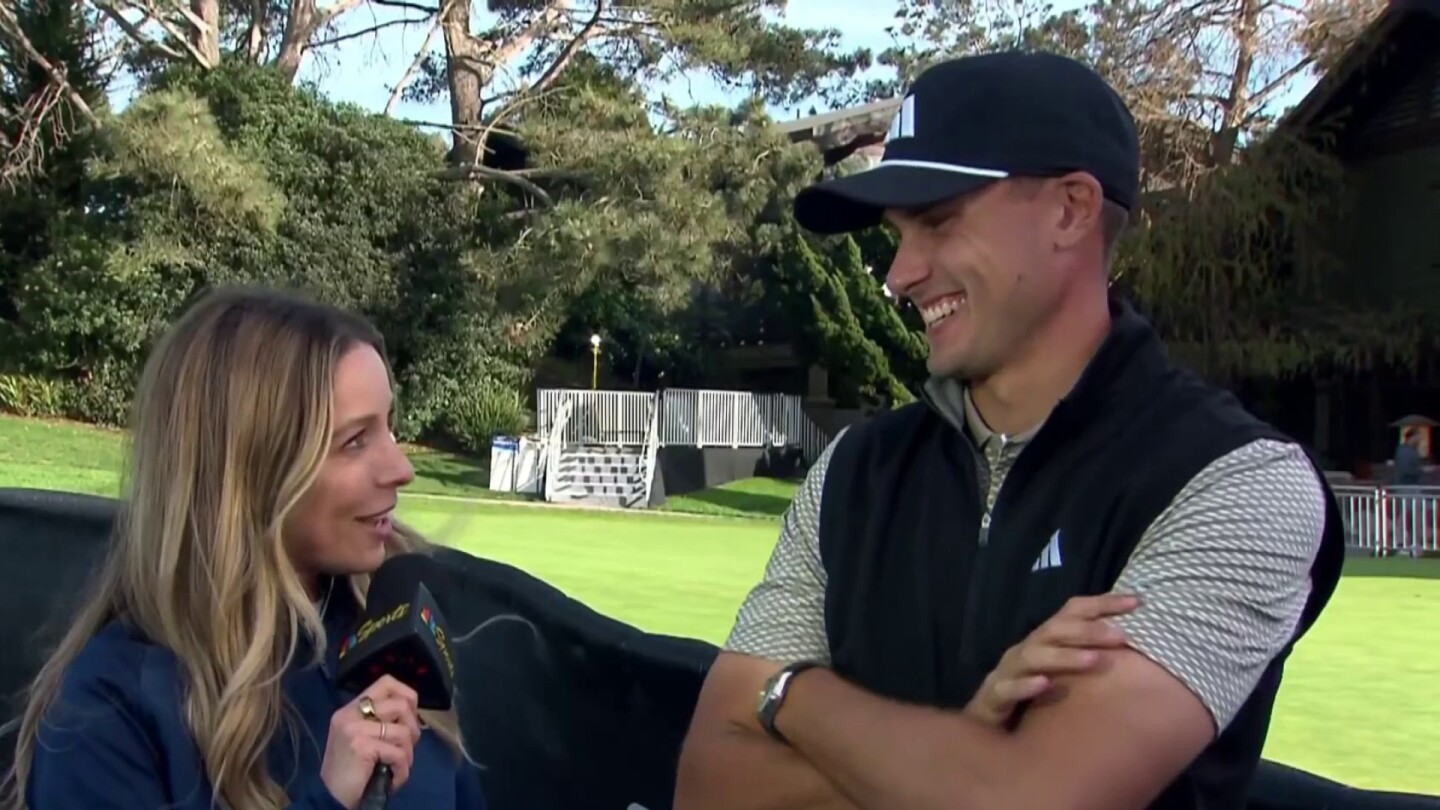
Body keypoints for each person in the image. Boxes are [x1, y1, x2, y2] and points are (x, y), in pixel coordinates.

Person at [674, 51, 1345, 810]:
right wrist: (960, 744)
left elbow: (1028, 802)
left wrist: (790, 694)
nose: (899, 274)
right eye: (898, 233)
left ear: (1071, 210)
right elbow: (708, 783)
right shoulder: (855, 470)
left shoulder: (1237, 483)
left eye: (936, 220)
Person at [2, 287, 487, 810]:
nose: (402, 469)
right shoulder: (111, 708)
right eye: (354, 441)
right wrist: (328, 801)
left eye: (390, 427)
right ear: (251, 473)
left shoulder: (391, 636)